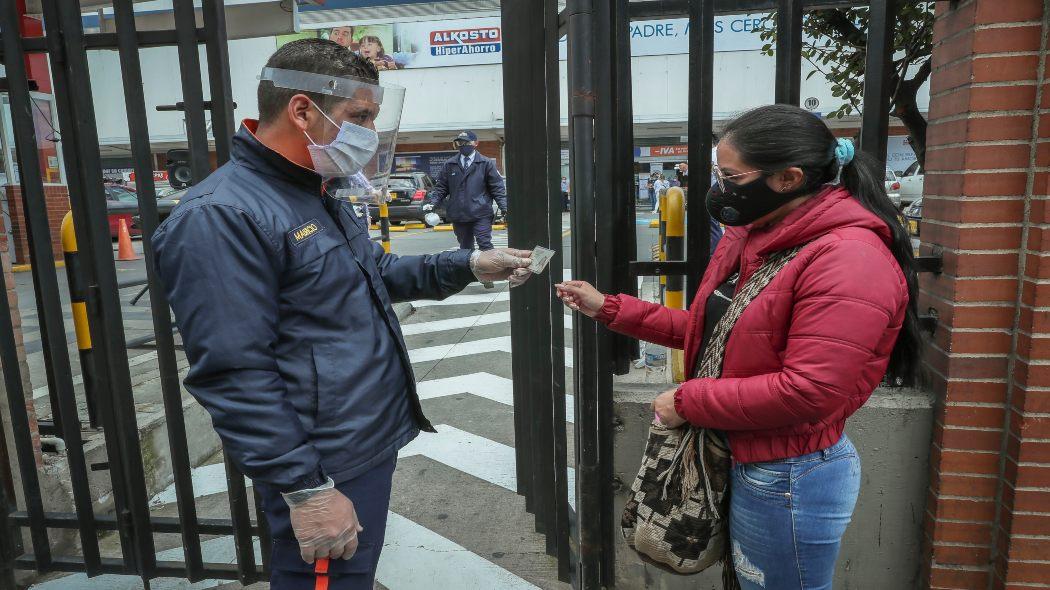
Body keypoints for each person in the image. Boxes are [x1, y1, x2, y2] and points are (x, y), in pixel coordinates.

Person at [152, 40, 533, 590]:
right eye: (359, 117)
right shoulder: (222, 216)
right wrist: (305, 489)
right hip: (321, 459)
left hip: (361, 441)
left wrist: (471, 262)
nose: (369, 134)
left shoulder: (311, 192)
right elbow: (235, 372)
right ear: (303, 110)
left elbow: (376, 273)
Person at [556, 104, 919, 589]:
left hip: (788, 476)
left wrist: (688, 401)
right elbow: (718, 332)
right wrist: (609, 308)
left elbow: (811, 389)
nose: (719, 187)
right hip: (745, 456)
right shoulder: (762, 235)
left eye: (730, 176)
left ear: (787, 178)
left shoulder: (848, 260)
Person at [423, 131, 508, 254]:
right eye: (459, 142)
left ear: (476, 143)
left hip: (481, 212)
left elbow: (497, 188)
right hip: (459, 214)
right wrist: (433, 203)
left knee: (484, 243)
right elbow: (441, 187)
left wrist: (504, 207)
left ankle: (489, 271)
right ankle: (469, 272)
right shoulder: (450, 164)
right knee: (465, 248)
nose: (462, 145)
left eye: (466, 142)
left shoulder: (485, 163)